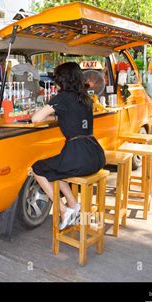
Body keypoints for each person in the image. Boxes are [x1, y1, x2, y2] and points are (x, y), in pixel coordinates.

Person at [31, 62, 106, 230]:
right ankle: (74, 205)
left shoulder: (62, 97)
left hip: (79, 156)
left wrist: (45, 112)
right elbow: (72, 117)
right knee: (56, 170)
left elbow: (35, 119)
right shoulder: (85, 97)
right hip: (96, 154)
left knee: (37, 169)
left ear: (62, 80)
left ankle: (63, 211)